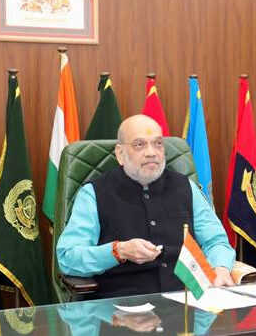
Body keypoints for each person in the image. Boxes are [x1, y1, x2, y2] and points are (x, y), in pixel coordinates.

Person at [57, 114, 236, 299]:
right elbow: (67, 258)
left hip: (186, 301)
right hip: (120, 306)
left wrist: (221, 269)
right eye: (139, 144)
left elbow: (216, 241)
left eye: (158, 143)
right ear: (120, 154)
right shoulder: (93, 193)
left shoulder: (186, 187)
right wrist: (119, 251)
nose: (152, 152)